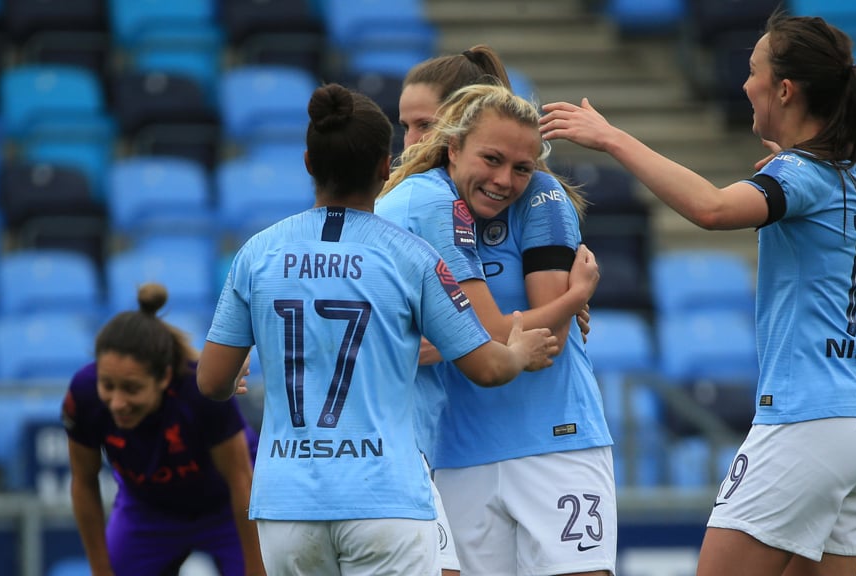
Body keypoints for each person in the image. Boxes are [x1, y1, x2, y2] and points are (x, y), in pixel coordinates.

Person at [541, 11, 856, 576]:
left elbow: (710, 208)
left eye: (753, 70)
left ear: (784, 89)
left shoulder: (801, 175)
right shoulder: (851, 173)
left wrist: (612, 138)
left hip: (808, 422)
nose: (744, 82)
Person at [196, 82, 561, 576]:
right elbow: (487, 369)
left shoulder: (257, 253)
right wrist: (517, 350)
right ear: (384, 167)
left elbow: (212, 383)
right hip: (384, 498)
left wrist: (236, 369)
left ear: (308, 162)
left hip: (286, 507)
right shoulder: (412, 257)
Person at [379, 79, 615, 576]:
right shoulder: (424, 203)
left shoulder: (545, 199)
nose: (506, 180)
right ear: (454, 146)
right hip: (458, 450)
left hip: (557, 440)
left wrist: (447, 340)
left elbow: (551, 339)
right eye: (492, 160)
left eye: (521, 167)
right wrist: (575, 298)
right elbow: (485, 331)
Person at [62, 282, 265, 576]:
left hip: (229, 510)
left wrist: (256, 571)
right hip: (148, 512)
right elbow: (83, 482)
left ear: (164, 378)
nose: (117, 403)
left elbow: (240, 480)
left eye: (132, 389)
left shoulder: (200, 392)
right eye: (108, 386)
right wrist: (100, 570)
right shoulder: (84, 395)